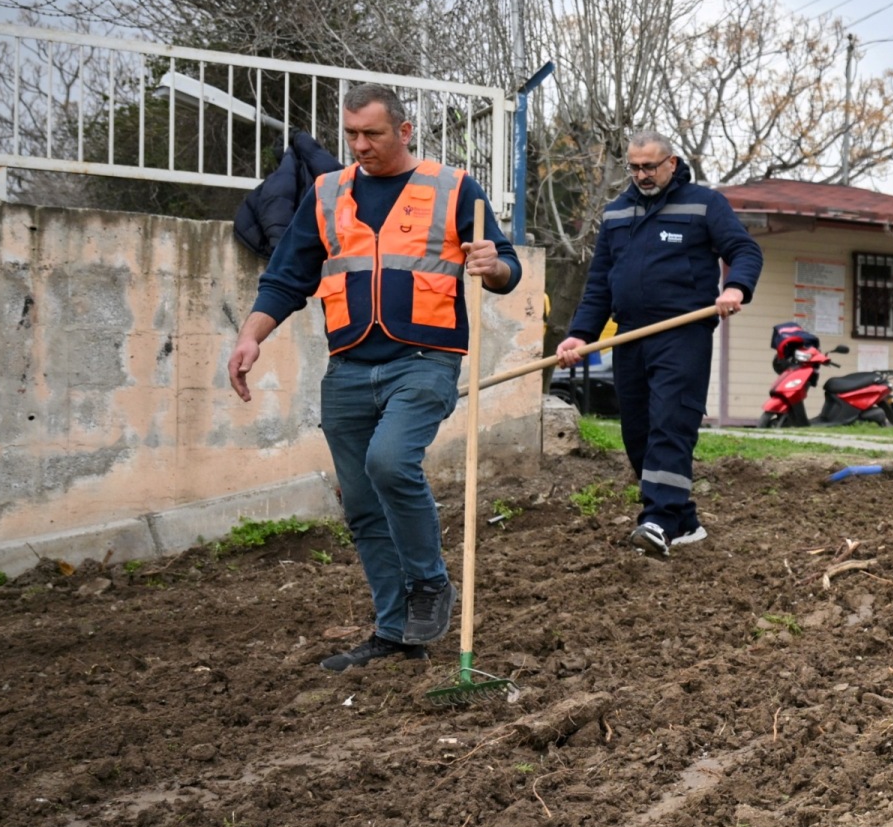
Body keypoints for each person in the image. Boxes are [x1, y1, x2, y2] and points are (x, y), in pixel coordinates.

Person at [227, 84, 522, 672]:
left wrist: (493, 268)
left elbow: (506, 268)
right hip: (348, 367)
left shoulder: (453, 188)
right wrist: (251, 335)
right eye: (351, 134)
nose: (360, 145)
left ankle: (429, 582)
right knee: (361, 503)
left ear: (404, 131)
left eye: (373, 134)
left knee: (389, 462)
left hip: (425, 360)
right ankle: (395, 634)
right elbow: (287, 277)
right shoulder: (327, 193)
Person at [555, 133, 762, 557]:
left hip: (682, 333)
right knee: (637, 433)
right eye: (634, 167)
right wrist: (581, 334)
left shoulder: (704, 204)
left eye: (649, 166)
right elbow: (600, 283)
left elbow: (744, 250)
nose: (641, 175)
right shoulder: (616, 212)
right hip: (629, 335)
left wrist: (735, 287)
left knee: (671, 422)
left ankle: (658, 522)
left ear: (672, 162)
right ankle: (683, 523)